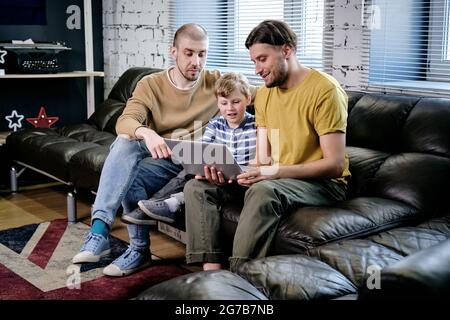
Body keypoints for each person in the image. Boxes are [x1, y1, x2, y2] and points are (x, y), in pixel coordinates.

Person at [183, 20, 351, 272]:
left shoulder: (325, 91)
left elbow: (334, 165)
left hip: (323, 185)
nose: (257, 69)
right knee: (197, 187)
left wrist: (272, 172)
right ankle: (212, 270)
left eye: (262, 59)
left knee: (265, 191)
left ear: (286, 50)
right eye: (254, 61)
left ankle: (240, 275)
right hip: (275, 177)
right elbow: (263, 158)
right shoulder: (265, 94)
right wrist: (231, 174)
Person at [72, 23, 222, 277]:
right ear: (173, 51)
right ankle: (109, 236)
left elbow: (259, 96)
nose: (196, 61)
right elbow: (125, 121)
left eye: (202, 53)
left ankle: (125, 244)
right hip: (164, 157)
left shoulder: (216, 82)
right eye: (189, 53)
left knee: (128, 161)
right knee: (125, 146)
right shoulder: (150, 84)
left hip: (198, 160)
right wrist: (147, 132)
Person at [130, 72, 257, 224]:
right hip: (218, 174)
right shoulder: (215, 124)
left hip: (241, 181)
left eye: (236, 102)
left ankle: (155, 207)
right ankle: (164, 204)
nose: (230, 108)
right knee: (190, 173)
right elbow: (202, 151)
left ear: (248, 99)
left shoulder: (256, 125)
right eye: (224, 103)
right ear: (217, 103)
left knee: (194, 181)